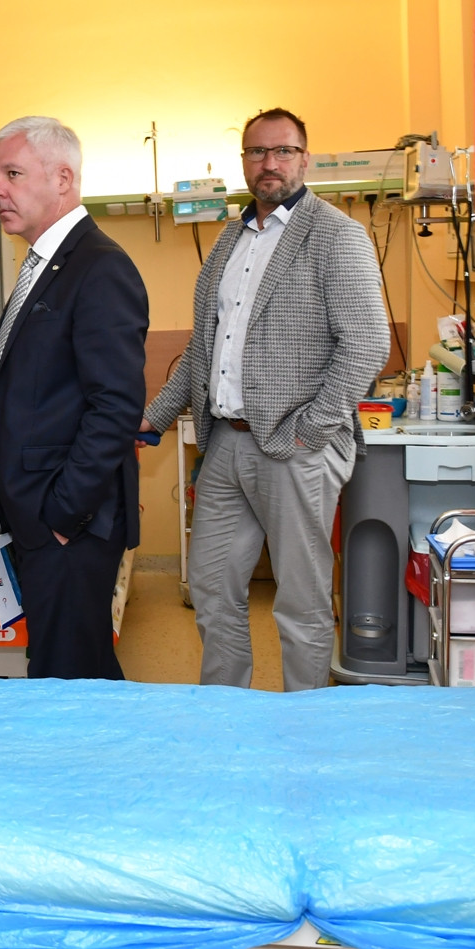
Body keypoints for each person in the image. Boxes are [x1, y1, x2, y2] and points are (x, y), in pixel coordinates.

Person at [141, 108, 389, 691]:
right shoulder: (231, 239)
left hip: (295, 447)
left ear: (305, 159)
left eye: (282, 151)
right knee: (211, 588)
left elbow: (368, 342)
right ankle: (228, 713)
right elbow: (204, 349)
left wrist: (312, 429)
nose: (269, 163)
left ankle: (304, 724)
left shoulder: (336, 235)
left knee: (300, 601)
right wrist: (151, 419)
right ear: (245, 163)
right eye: (257, 152)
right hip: (226, 444)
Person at [0, 116, 147, 680]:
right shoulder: (45, 264)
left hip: (67, 520)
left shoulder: (99, 266)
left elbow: (115, 406)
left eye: (13, 174)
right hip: (35, 513)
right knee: (72, 666)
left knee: (65, 679)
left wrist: (63, 514)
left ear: (63, 179)